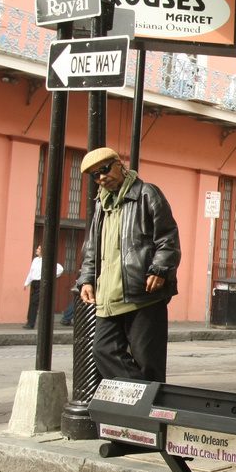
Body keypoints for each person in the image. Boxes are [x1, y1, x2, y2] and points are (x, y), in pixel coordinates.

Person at [75, 147, 181, 381]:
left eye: (104, 169)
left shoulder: (146, 194)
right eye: (95, 175)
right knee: (103, 350)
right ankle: (145, 400)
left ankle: (149, 411)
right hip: (108, 295)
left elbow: (168, 237)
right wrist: (86, 278)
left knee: (148, 361)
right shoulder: (101, 205)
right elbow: (93, 247)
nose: (102, 177)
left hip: (142, 293)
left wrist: (160, 269)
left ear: (119, 164)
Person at [22, 244, 63, 329]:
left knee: (35, 302)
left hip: (41, 283)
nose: (37, 249)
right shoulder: (35, 260)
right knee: (33, 302)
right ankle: (29, 321)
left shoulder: (47, 260)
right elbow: (31, 272)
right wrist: (26, 283)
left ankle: (31, 323)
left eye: (39, 249)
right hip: (34, 283)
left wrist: (49, 276)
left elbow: (60, 269)